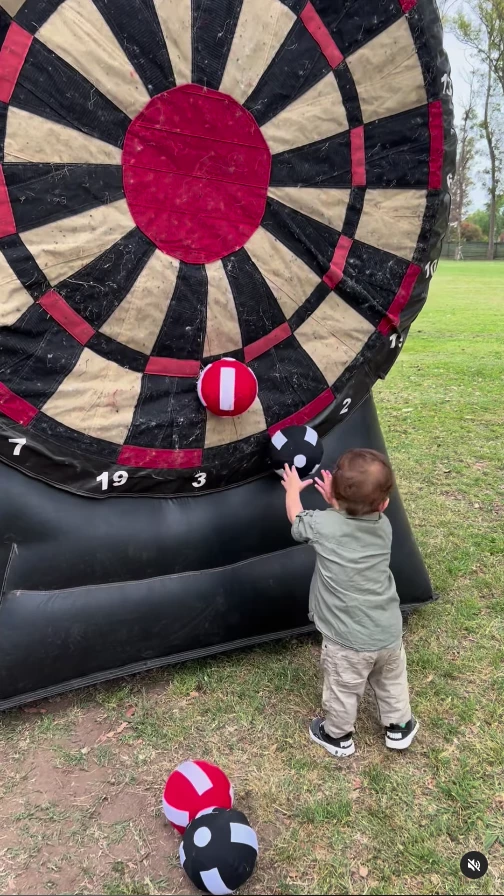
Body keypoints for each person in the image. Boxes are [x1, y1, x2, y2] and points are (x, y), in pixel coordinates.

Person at [282, 448, 418, 758]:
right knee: (391, 680)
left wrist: (292, 490)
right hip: (387, 631)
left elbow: (297, 518)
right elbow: (354, 519)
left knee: (344, 688)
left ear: (333, 495)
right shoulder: (383, 525)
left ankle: (337, 735)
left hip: (348, 641)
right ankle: (399, 728)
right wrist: (341, 502)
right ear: (383, 504)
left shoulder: (322, 526)